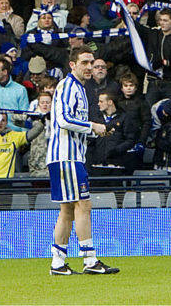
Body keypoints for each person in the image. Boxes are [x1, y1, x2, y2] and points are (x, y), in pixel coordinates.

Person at [48, 48, 118, 275]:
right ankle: (90, 259)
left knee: (67, 209)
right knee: (83, 204)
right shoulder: (68, 86)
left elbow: (71, 122)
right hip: (67, 156)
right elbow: (63, 119)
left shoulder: (79, 88)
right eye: (84, 62)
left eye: (92, 63)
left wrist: (94, 132)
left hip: (68, 155)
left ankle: (58, 262)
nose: (89, 67)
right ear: (72, 65)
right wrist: (92, 126)